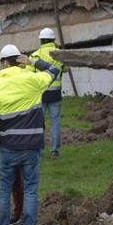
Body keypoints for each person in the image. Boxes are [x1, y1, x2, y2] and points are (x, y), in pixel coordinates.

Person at [0, 44, 60, 225]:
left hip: (7, 147)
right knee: (31, 189)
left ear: (3, 63)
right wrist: (33, 61)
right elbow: (54, 70)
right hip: (31, 147)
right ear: (20, 60)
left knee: (3, 190)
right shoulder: (33, 80)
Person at [29, 27, 67, 158]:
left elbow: (29, 74)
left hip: (40, 94)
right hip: (55, 94)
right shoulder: (60, 54)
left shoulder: (35, 55)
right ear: (53, 40)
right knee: (55, 122)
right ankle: (55, 151)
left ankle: (38, 151)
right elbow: (66, 69)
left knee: (38, 123)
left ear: (41, 40)